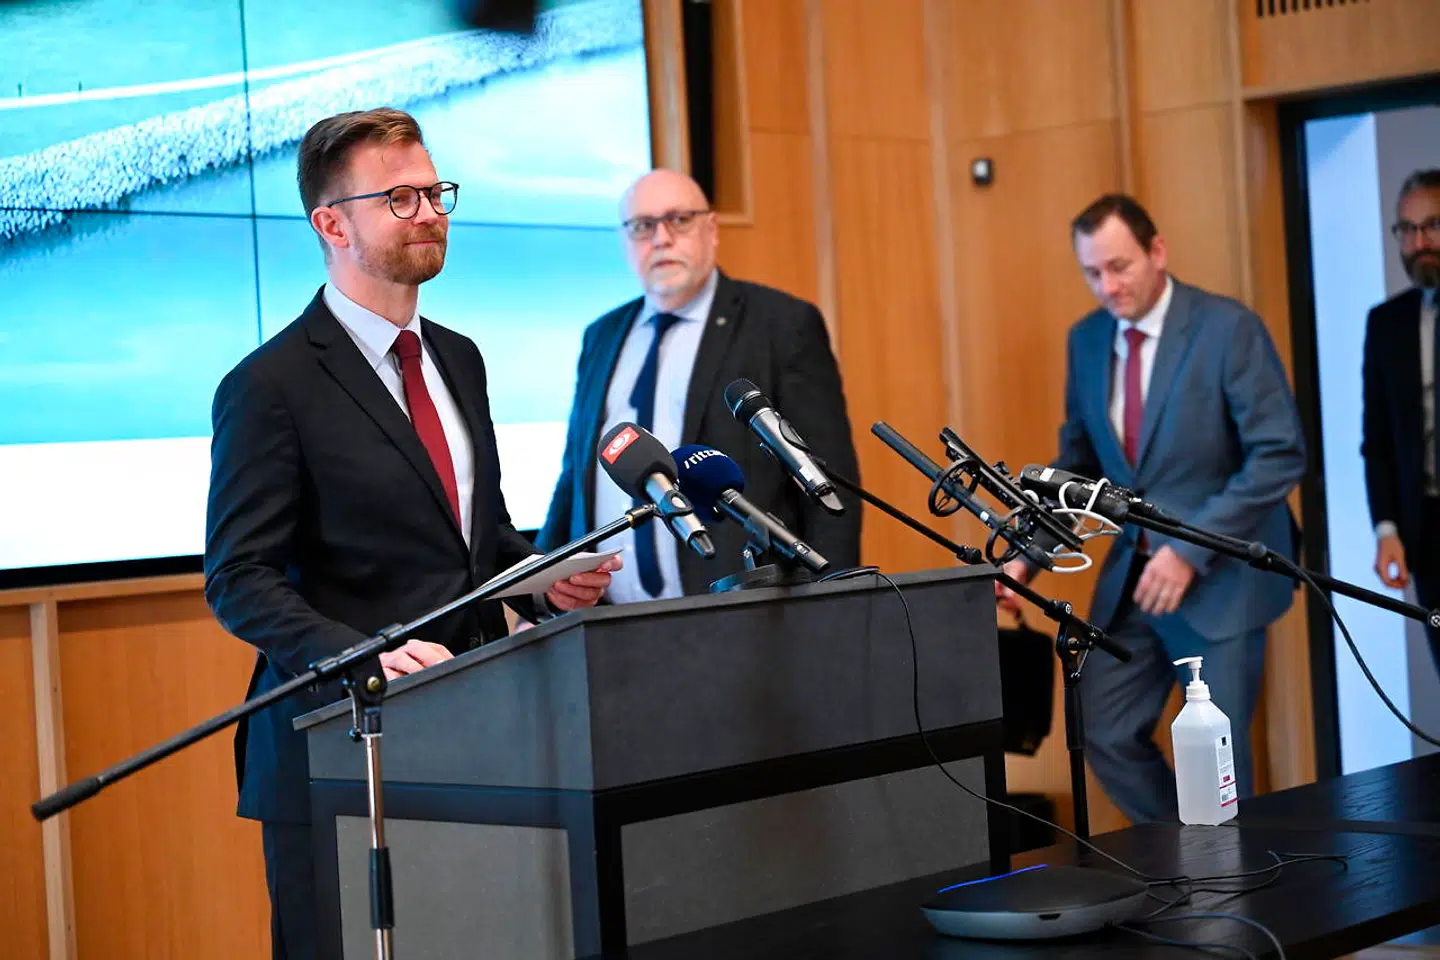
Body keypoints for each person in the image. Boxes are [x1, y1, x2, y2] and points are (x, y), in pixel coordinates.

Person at [203, 107, 619, 960]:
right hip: (337, 750)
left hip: (475, 739)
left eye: (435, 192)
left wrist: (539, 577)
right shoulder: (270, 385)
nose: (430, 211)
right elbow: (239, 577)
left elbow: (481, 541)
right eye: (400, 198)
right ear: (331, 223)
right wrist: (361, 653)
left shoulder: (459, 358)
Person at [997, 193, 1305, 824]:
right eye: (1091, 272)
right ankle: (1192, 859)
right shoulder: (1085, 341)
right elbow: (1075, 471)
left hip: (1221, 577)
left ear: (1157, 251)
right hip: (1133, 576)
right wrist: (1023, 561)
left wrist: (1189, 551)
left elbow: (1278, 454)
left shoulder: (1226, 328)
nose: (1107, 286)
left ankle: (1231, 897)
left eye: (1119, 267)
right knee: (1103, 729)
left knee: (1220, 766)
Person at [536, 169, 861, 598]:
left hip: (745, 618)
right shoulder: (601, 336)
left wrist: (836, 603)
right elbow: (575, 478)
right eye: (642, 226)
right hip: (606, 624)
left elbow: (825, 482)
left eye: (679, 220)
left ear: (712, 230)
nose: (661, 239)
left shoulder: (780, 325)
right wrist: (538, 592)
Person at [1363, 169, 1440, 674]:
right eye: (1407, 230)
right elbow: (1379, 439)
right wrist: (1387, 528)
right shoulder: (1387, 321)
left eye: (1432, 226)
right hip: (1428, 530)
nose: (1419, 243)